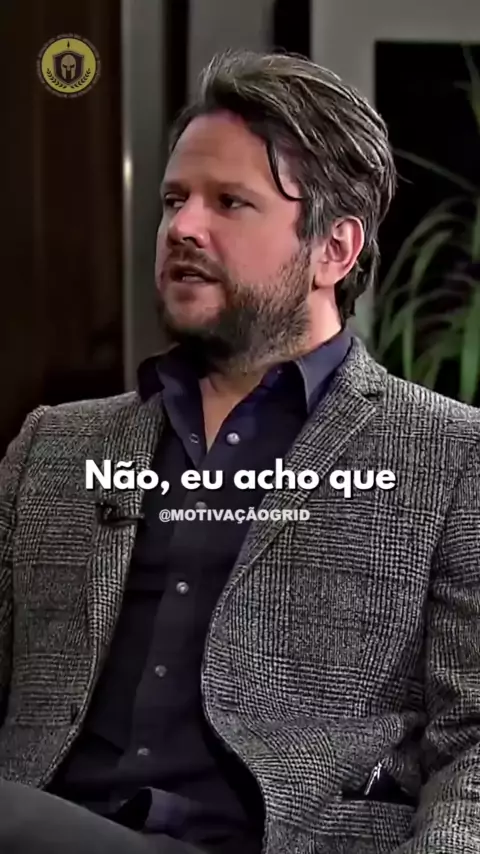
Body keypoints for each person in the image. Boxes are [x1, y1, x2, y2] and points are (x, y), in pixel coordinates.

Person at [1, 48, 480, 854]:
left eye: (230, 202)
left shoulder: (452, 457)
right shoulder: (54, 446)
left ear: (333, 249)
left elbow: (476, 743)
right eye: (174, 200)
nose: (183, 228)